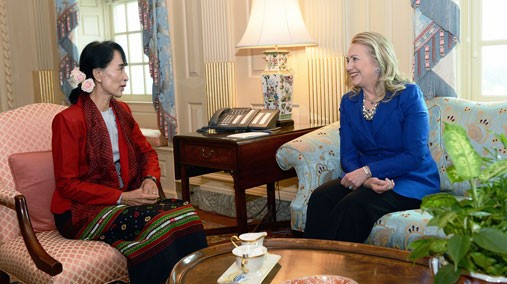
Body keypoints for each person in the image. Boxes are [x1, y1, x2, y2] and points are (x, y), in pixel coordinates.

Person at [51, 41, 207, 284]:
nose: (126, 77)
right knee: (159, 222)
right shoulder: (68, 120)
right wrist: (122, 197)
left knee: (185, 212)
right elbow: (67, 185)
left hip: (120, 198)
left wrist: (148, 179)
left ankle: (194, 280)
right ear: (99, 74)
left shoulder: (122, 111)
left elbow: (147, 154)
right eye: (120, 69)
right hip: (78, 213)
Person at [303, 32, 440, 242]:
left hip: (410, 180)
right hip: (367, 179)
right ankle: (313, 269)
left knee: (354, 206)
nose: (348, 66)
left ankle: (336, 271)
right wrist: (365, 180)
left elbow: (415, 155)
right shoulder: (349, 102)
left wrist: (368, 171)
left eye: (355, 59)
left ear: (377, 61)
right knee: (321, 198)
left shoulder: (409, 95)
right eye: (347, 60)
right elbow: (348, 155)